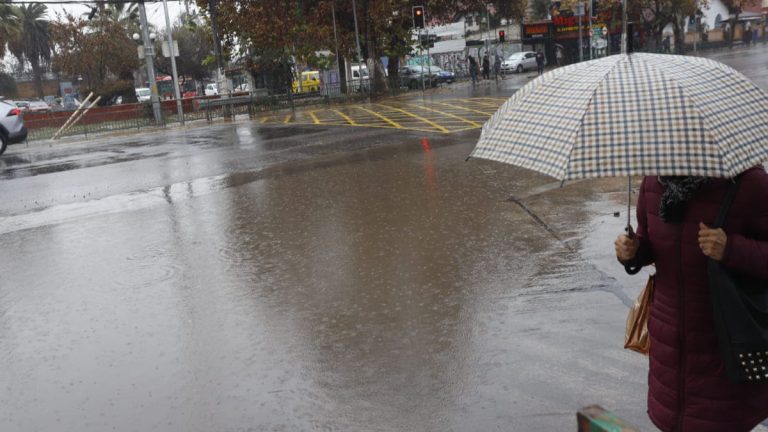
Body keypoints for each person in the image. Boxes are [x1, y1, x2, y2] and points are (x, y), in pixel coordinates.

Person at [615, 168, 768, 432]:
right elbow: (649, 241)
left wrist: (731, 249)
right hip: (669, 347)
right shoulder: (653, 183)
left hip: (725, 346)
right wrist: (633, 252)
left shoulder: (749, 183)